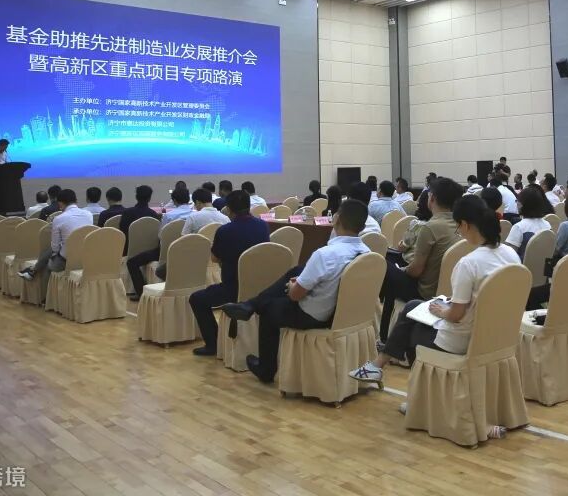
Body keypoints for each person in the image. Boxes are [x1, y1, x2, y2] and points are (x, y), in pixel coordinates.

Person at [350, 194, 520, 438]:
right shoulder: (511, 255)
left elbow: (456, 315)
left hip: (462, 341)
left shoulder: (469, 264)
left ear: (465, 225)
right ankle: (379, 366)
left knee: (411, 329)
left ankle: (415, 397)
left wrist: (443, 310)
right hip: (495, 336)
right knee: (413, 307)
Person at [219, 199, 370, 382]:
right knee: (297, 271)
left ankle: (265, 368)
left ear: (336, 219)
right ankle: (250, 305)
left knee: (269, 308)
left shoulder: (325, 254)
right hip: (343, 315)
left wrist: (292, 287)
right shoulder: (367, 252)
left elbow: (295, 296)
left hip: (315, 316)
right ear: (362, 226)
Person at [378, 177, 461, 339]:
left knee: (385, 265)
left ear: (432, 198)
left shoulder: (431, 227)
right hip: (451, 289)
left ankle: (385, 334)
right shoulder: (460, 225)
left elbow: (415, 271)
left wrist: (401, 270)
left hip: (425, 291)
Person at [189, 191, 270, 356]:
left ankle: (213, 344)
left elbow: (214, 258)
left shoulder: (225, 231)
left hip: (233, 288)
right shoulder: (263, 225)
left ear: (228, 208)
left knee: (197, 299)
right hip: (261, 287)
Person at [125, 186, 191, 300]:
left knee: (132, 262)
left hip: (166, 251)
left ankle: (141, 293)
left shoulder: (169, 216)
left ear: (174, 200)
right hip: (187, 250)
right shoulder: (195, 215)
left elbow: (161, 235)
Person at [18, 189, 93, 281]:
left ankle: (37, 277)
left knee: (48, 265)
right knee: (60, 247)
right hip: (86, 257)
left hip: (67, 261)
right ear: (76, 200)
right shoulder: (89, 215)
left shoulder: (59, 219)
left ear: (60, 203)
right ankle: (32, 270)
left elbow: (55, 248)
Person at [504, 187, 552, 256]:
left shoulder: (519, 227)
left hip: (522, 262)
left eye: (517, 201)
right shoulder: (547, 225)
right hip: (543, 263)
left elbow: (509, 255)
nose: (516, 203)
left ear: (523, 204)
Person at [117, 185, 160, 254]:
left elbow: (122, 234)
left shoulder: (127, 213)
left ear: (136, 197)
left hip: (128, 253)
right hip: (150, 254)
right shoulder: (154, 215)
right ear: (149, 198)